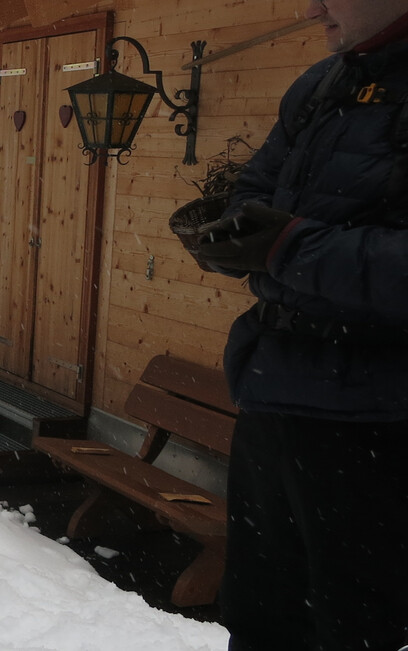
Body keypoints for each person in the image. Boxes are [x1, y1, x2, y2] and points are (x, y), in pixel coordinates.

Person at [192, 0, 408, 648]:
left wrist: (288, 250)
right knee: (258, 617)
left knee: (354, 628)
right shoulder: (319, 86)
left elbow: (277, 238)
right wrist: (248, 243)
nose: (310, 7)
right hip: (272, 398)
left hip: (374, 424)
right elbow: (251, 202)